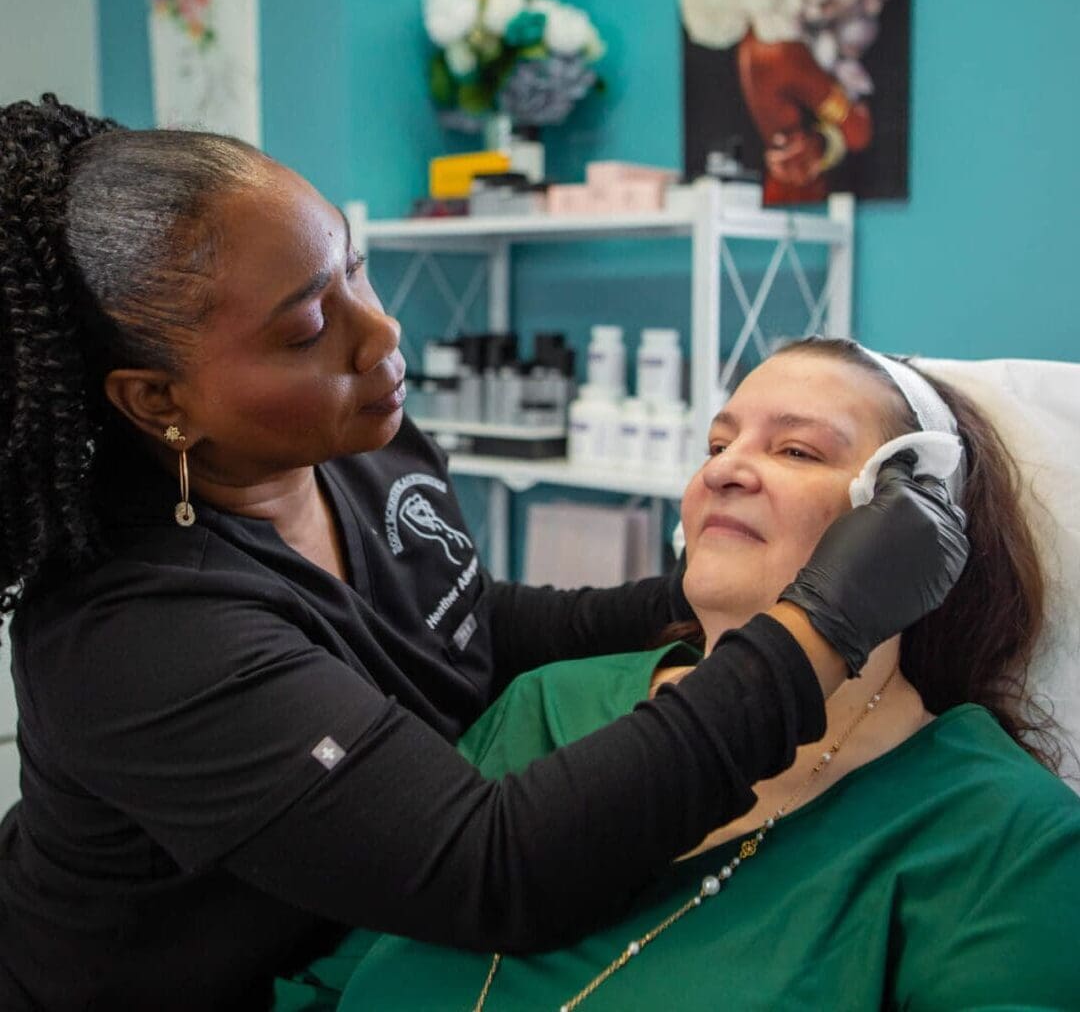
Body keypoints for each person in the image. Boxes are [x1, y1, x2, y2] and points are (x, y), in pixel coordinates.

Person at [0, 96, 966, 1011]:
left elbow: (456, 617)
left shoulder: (361, 447)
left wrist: (701, 592)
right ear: (158, 402)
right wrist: (819, 625)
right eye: (305, 328)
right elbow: (494, 869)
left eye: (357, 267)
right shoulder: (134, 637)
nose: (381, 335)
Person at [333, 339, 1080, 1011]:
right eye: (716, 443)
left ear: (915, 527)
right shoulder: (547, 706)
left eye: (795, 452)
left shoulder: (1004, 838)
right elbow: (338, 973)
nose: (723, 470)